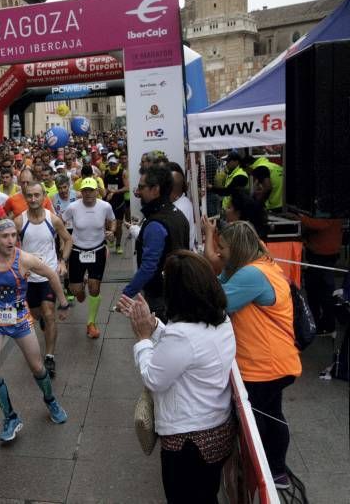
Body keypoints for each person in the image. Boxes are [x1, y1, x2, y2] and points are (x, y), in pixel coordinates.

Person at [119, 251, 236, 504]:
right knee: (206, 495)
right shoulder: (221, 318)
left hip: (188, 443)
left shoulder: (183, 335)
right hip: (218, 429)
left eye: (165, 278)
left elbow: (153, 378)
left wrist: (142, 339)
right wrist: (155, 327)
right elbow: (186, 354)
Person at [202, 219, 301, 489]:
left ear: (238, 247)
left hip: (264, 365)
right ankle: (275, 471)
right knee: (271, 414)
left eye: (222, 247)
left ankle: (268, 472)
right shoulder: (257, 266)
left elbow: (216, 301)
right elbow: (218, 278)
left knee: (259, 420)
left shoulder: (251, 274)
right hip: (274, 361)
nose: (219, 252)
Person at [0, 219, 69, 442]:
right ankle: (11, 417)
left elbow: (51, 273)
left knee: (38, 367)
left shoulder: (24, 259)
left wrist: (63, 301)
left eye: (14, 236)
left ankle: (51, 400)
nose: (11, 240)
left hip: (19, 319)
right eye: (5, 236)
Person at [14, 182, 72, 376]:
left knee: (49, 314)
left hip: (49, 276)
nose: (33, 199)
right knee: (37, 315)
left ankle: (49, 357)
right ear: (25, 197)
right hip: (28, 279)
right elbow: (10, 247)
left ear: (44, 195)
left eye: (37, 195)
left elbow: (68, 239)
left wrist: (62, 261)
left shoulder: (52, 220)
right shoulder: (19, 222)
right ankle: (42, 321)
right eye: (29, 196)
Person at [122, 165, 189, 322]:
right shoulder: (177, 213)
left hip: (160, 297)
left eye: (141, 187)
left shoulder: (156, 223)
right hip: (177, 290)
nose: (138, 192)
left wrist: (126, 294)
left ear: (155, 189)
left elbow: (149, 267)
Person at [62, 177, 116, 339]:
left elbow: (112, 220)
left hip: (98, 250)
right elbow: (60, 221)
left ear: (97, 191)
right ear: (81, 192)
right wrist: (64, 239)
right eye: (85, 190)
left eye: (91, 190)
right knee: (77, 292)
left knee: (95, 287)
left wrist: (112, 231)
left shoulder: (105, 206)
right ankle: (80, 287)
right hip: (77, 251)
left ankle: (91, 323)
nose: (88, 194)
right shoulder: (73, 207)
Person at [102, 154, 128, 254]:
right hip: (108, 202)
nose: (112, 165)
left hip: (119, 202)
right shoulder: (106, 173)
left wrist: (114, 192)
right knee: (108, 224)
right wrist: (105, 193)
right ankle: (111, 238)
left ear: (117, 164)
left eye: (114, 163)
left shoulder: (123, 173)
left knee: (118, 225)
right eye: (110, 164)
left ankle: (118, 245)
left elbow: (127, 188)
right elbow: (104, 187)